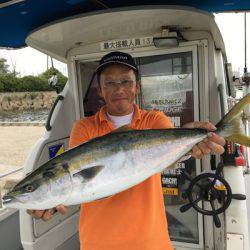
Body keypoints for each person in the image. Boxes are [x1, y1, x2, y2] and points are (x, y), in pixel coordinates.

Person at [27, 51, 225, 250]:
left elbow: (169, 158)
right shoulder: (84, 127)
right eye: (110, 83)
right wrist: (49, 199)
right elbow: (76, 181)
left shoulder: (154, 120)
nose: (119, 88)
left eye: (126, 81)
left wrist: (193, 144)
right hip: (98, 243)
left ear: (137, 87)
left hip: (151, 242)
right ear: (100, 90)